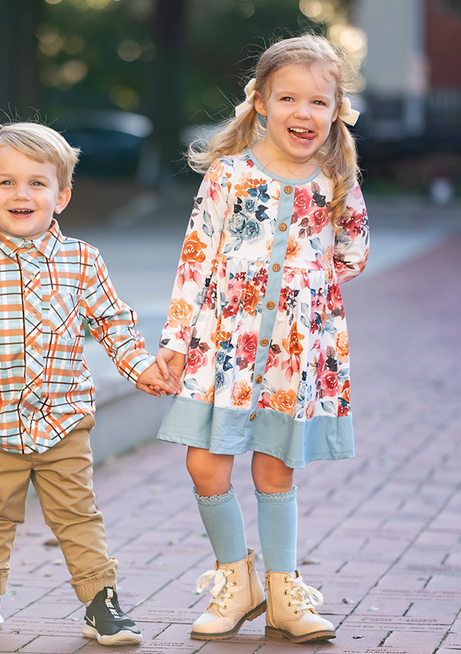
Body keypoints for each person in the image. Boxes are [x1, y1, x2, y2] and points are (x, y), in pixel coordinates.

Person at [0, 122, 179, 645]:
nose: (21, 194)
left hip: (64, 417)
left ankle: (100, 601)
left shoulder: (82, 260)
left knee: (76, 512)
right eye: (6, 182)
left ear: (61, 195)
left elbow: (113, 324)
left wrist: (142, 368)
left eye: (37, 183)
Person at [155, 34, 369, 644]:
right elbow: (195, 258)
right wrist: (175, 338)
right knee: (205, 464)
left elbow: (353, 253)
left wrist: (307, 289)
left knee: (275, 471)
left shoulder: (335, 179)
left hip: (292, 355)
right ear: (261, 104)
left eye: (318, 103)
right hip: (222, 346)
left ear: (336, 111)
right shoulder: (229, 175)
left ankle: (282, 592)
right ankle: (234, 580)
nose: (303, 114)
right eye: (288, 99)